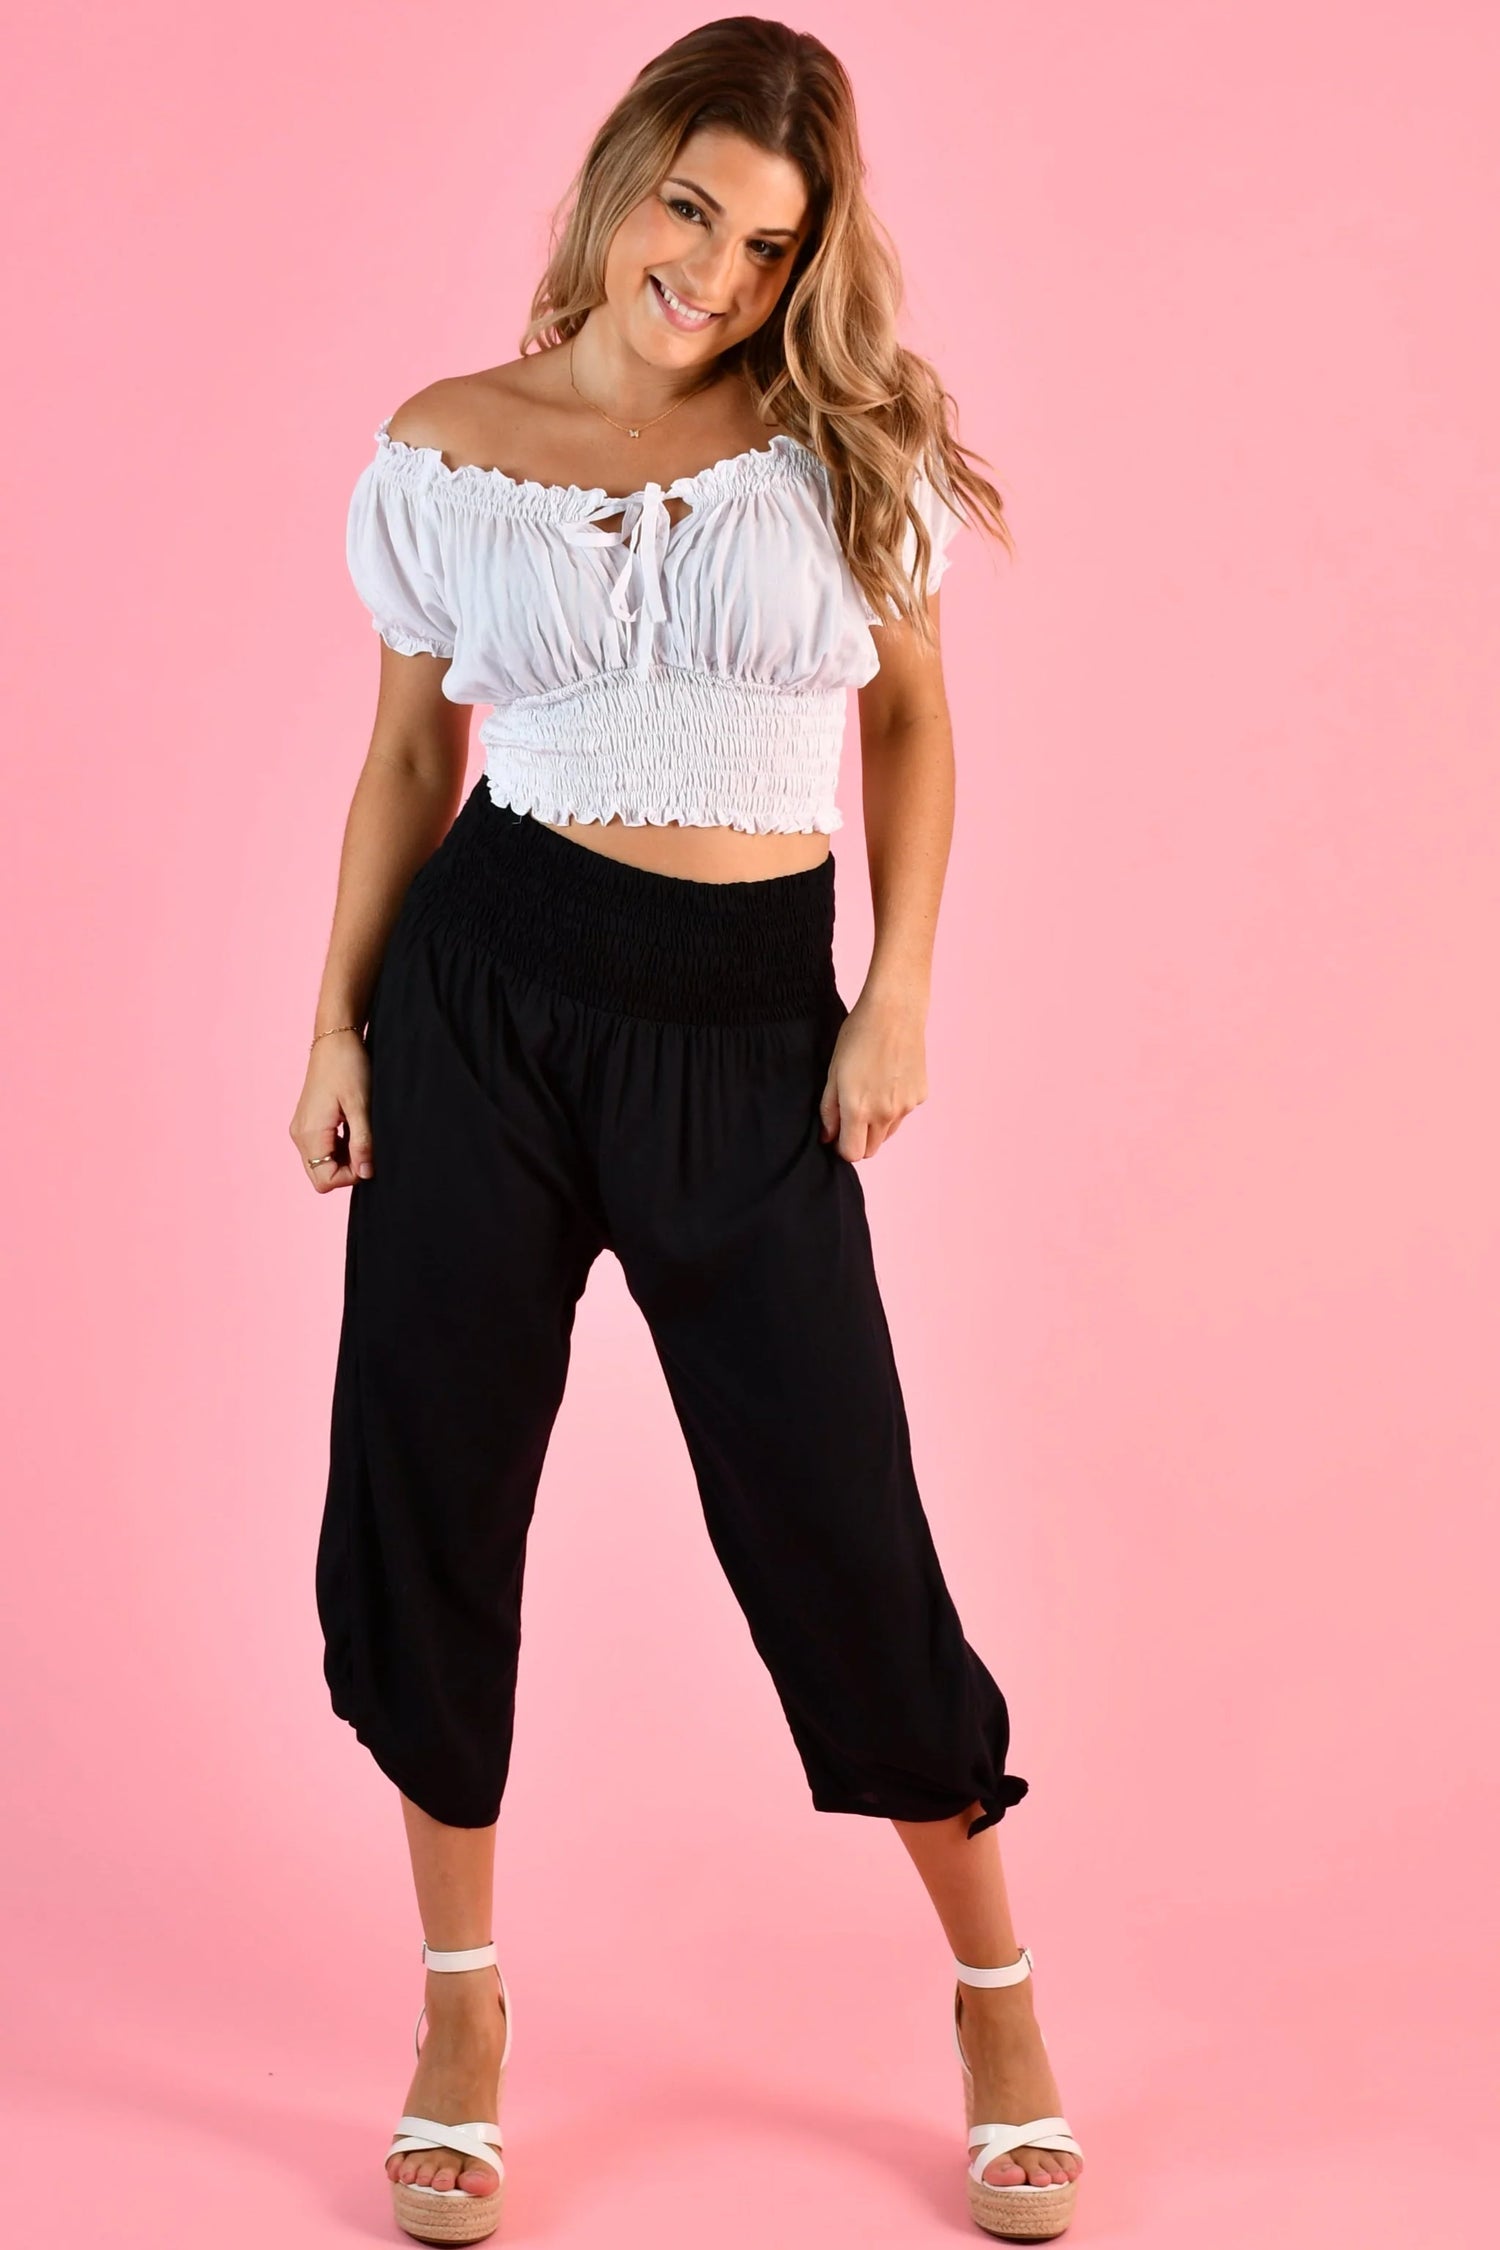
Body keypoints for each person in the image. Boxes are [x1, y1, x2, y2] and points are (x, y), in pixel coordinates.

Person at [289, 17, 1083, 2245]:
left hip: (745, 1032)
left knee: (837, 1513)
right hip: (481, 1003)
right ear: (625, 171)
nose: (716, 271)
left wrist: (896, 990)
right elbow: (407, 762)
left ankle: (998, 1996)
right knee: (432, 1486)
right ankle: (461, 2008)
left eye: (767, 246)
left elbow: (913, 725)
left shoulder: (842, 442)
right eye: (692, 208)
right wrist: (334, 1026)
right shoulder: (449, 445)